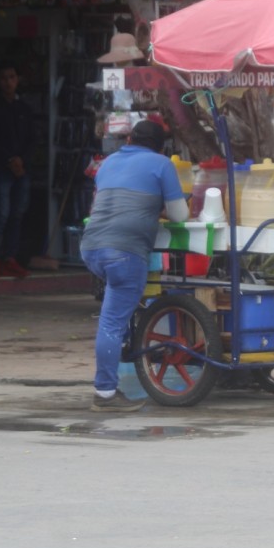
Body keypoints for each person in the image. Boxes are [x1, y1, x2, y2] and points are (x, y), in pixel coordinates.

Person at [80, 120, 189, 412]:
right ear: (161, 145)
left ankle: (123, 352)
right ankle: (104, 394)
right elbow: (180, 214)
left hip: (91, 247)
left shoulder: (108, 163)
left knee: (116, 315)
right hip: (124, 251)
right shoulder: (162, 164)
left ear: (129, 138)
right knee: (112, 322)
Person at [0, 60, 35, 281]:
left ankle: (9, 258)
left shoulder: (24, 109)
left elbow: (32, 139)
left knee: (17, 213)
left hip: (22, 169)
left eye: (12, 77)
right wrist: (10, 159)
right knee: (0, 213)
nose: (8, 82)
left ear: (18, 79)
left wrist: (22, 160)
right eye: (4, 78)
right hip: (1, 167)